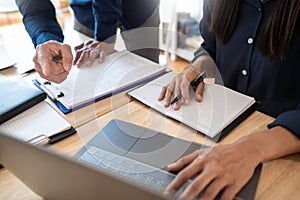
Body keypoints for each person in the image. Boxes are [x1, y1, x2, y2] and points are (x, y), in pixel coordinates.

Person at [159, 0, 300, 199]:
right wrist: (196, 67)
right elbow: (210, 47)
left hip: (282, 152)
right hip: (219, 131)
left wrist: (251, 149)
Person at [16, 0, 160, 83]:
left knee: (149, 75)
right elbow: (32, 4)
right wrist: (47, 39)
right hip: (87, 9)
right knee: (93, 78)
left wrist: (104, 36)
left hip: (140, 7)